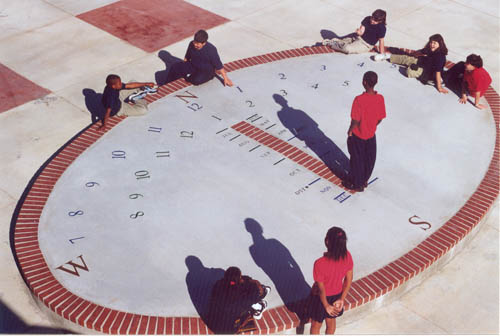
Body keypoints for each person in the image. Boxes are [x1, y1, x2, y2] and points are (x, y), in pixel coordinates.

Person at [343, 71, 386, 192]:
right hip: (371, 135)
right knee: (369, 159)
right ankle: (365, 179)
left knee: (357, 159)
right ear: (376, 83)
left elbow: (355, 120)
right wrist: (372, 125)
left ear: (364, 82)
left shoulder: (359, 100)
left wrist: (350, 130)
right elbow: (380, 118)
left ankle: (357, 184)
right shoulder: (380, 98)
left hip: (358, 135)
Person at [310, 227, 353, 335]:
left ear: (327, 241)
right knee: (331, 321)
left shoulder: (319, 263)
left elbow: (321, 289)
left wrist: (326, 305)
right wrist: (342, 299)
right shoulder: (347, 256)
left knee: (316, 325)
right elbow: (349, 280)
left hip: (321, 299)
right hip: (337, 296)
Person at [375, 34, 449, 93]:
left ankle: (435, 80)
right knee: (406, 59)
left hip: (428, 74)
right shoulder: (430, 49)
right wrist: (412, 56)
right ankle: (387, 56)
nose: (432, 44)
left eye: (434, 43)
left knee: (409, 72)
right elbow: (420, 52)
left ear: (440, 44)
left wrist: (439, 87)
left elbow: (438, 72)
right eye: (431, 42)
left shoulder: (440, 57)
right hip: (424, 63)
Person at [206, 266, 270, 334]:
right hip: (229, 330)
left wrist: (243, 281)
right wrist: (257, 284)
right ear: (239, 279)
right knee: (249, 303)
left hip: (212, 323)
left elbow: (236, 284)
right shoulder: (242, 297)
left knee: (236, 305)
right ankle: (258, 309)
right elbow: (257, 291)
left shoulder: (218, 285)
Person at [166, 29, 233, 87]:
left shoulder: (211, 50)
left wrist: (225, 78)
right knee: (174, 67)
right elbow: (187, 57)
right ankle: (165, 84)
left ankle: (201, 76)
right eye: (195, 42)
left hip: (206, 71)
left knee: (195, 81)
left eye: (198, 44)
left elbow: (219, 65)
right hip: (193, 65)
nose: (195, 44)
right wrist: (183, 67)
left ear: (204, 43)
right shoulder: (191, 44)